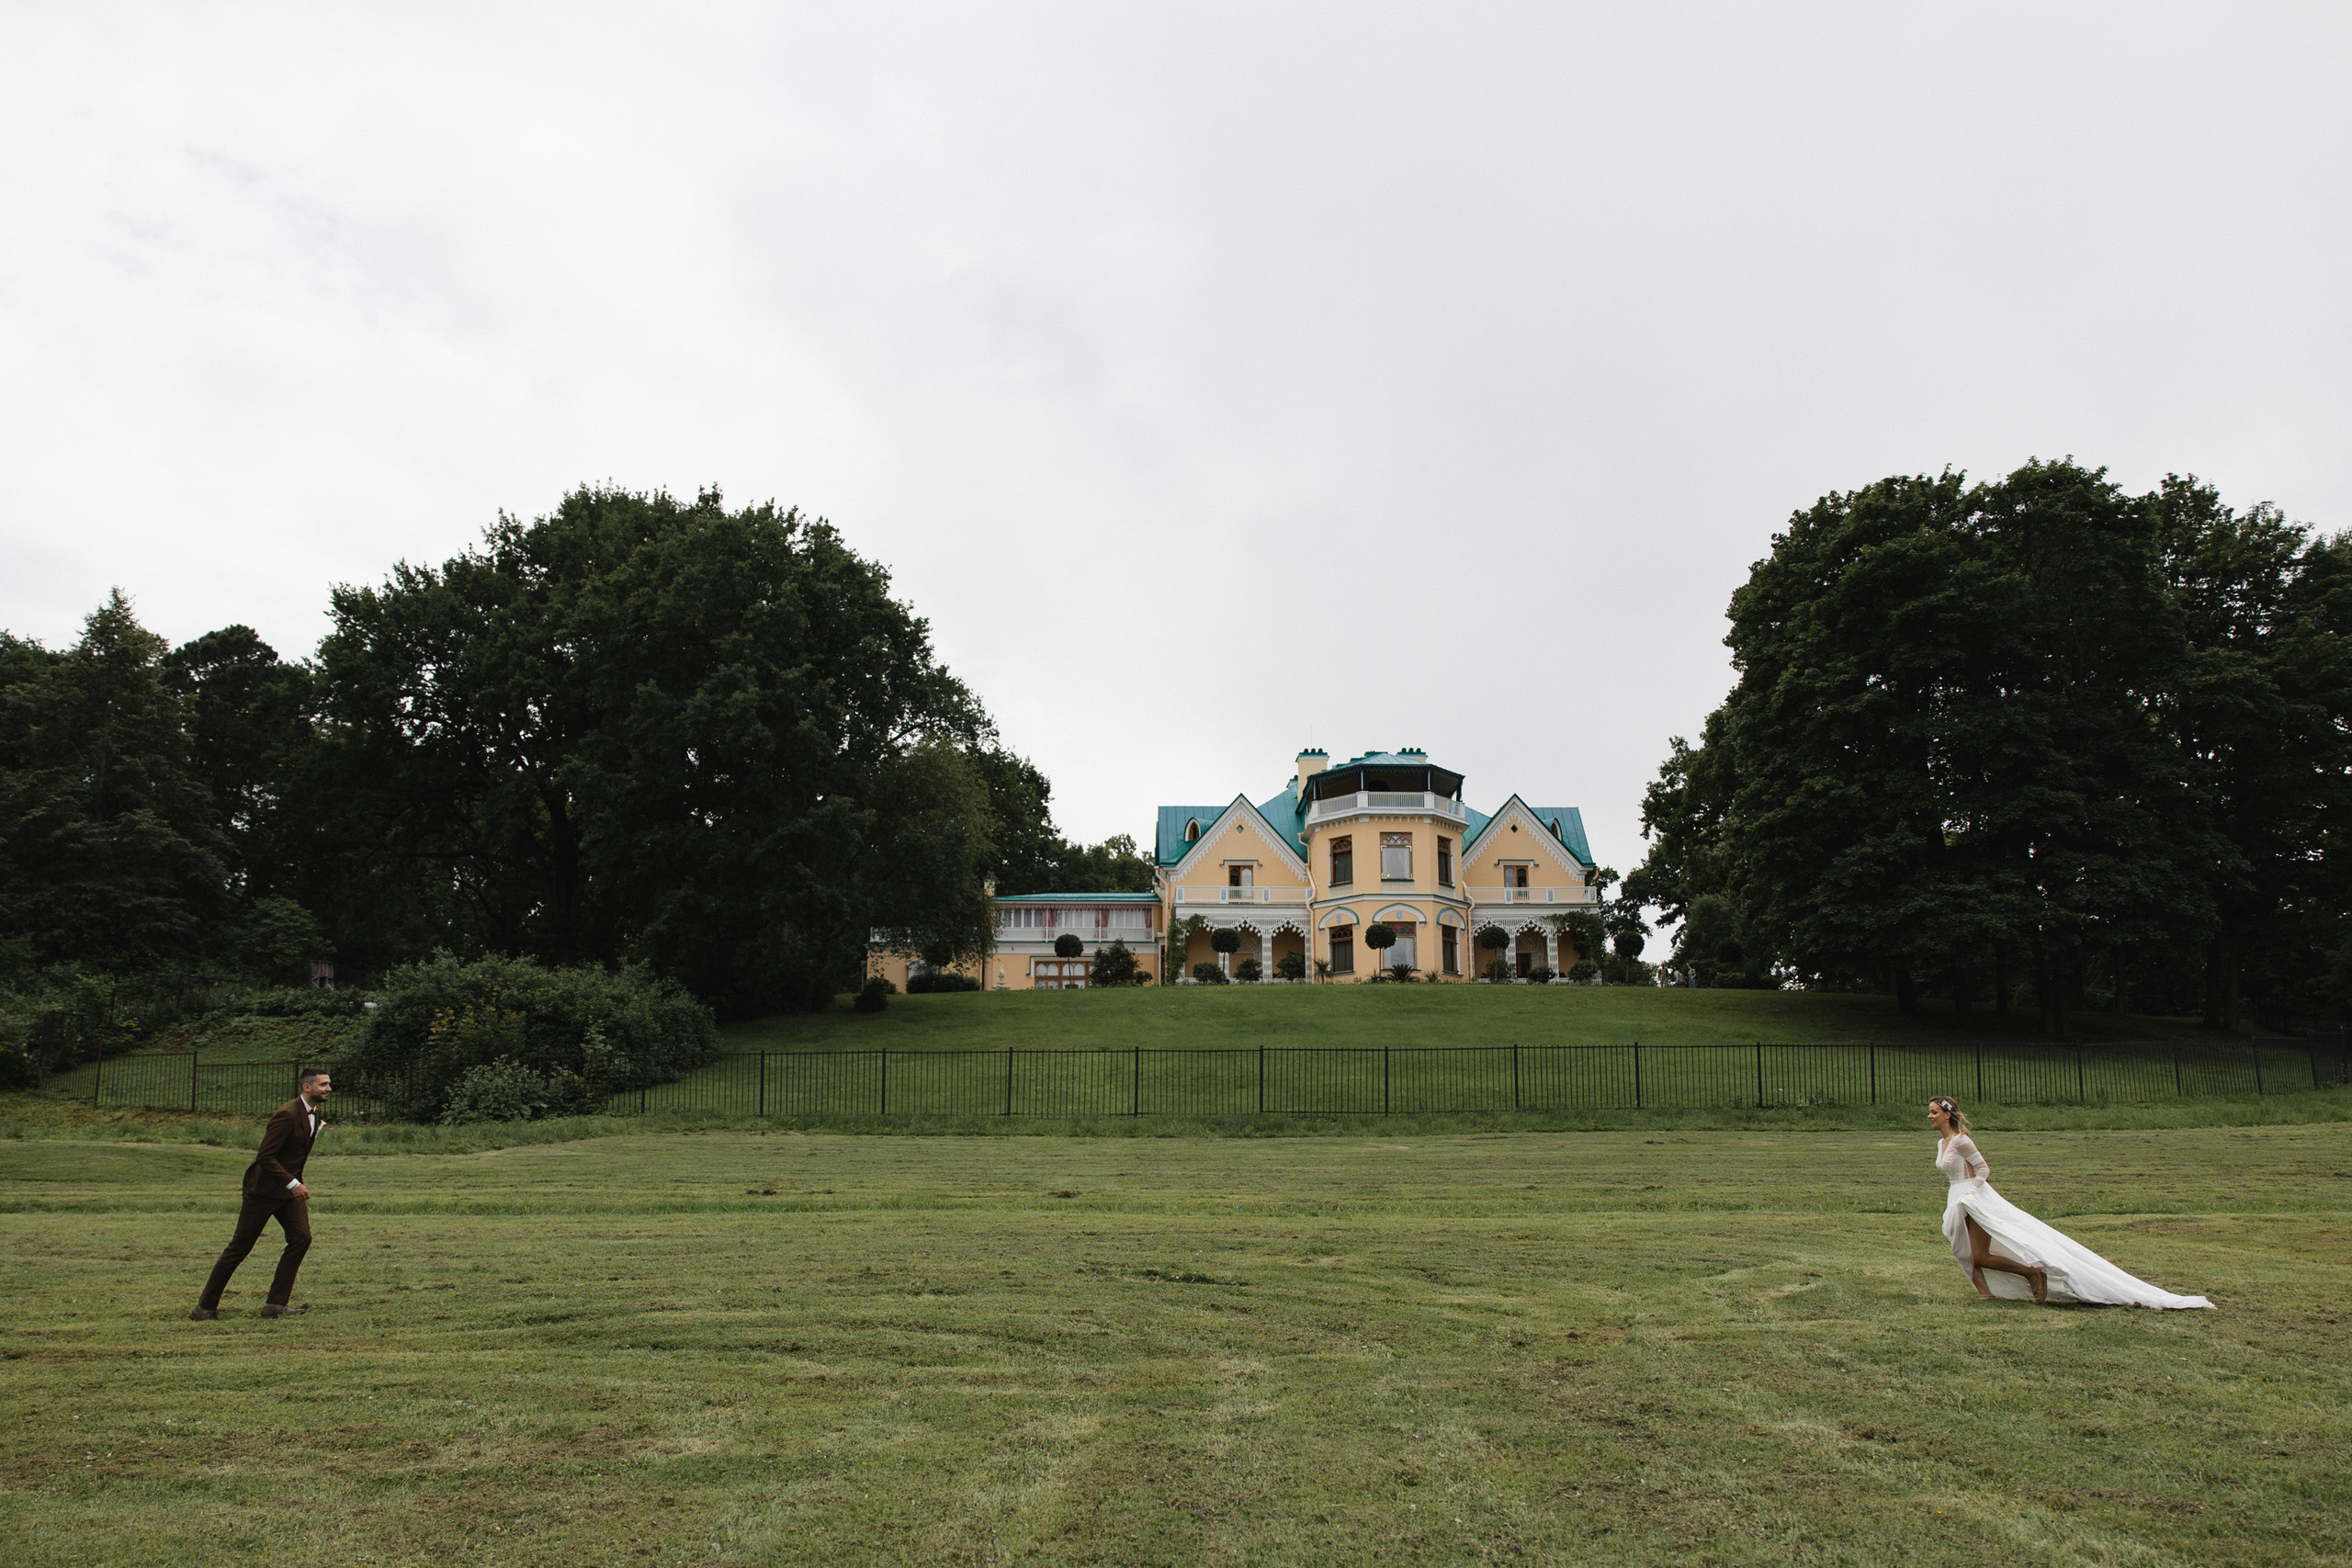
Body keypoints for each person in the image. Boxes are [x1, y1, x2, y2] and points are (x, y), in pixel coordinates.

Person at [1928, 1096, 2211, 1309]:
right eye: (1930, 1112)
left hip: (1974, 1198)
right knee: (1961, 1249)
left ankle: (2032, 1272)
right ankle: (1986, 1294)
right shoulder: (1941, 1144)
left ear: (1947, 1115)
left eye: (1934, 1112)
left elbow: (1984, 1169)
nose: (1930, 1117)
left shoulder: (1961, 1141)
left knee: (1977, 1254)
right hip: (1955, 1195)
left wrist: (1973, 1191)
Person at [190, 1068, 333, 1320]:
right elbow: (265, 1157)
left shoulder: (315, 1112)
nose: (328, 1089)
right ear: (307, 1087)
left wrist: (293, 1185)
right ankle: (204, 1308)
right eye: (323, 1085)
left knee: (301, 1238)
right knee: (239, 1248)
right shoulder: (286, 1115)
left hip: (287, 1192)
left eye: (328, 1084)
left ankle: (275, 1304)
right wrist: (293, 1184)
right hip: (263, 1191)